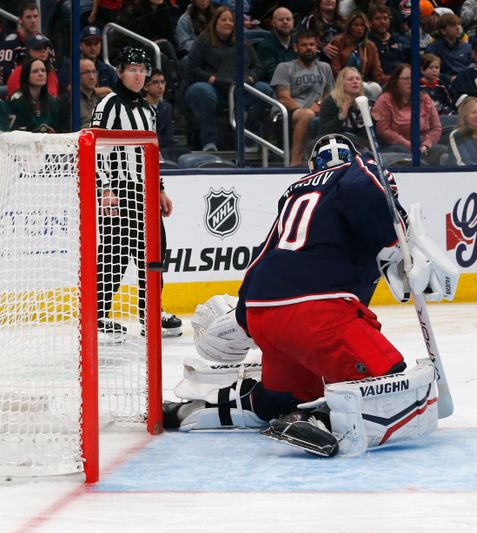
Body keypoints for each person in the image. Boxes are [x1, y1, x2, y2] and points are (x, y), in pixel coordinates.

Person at [162, 133, 457, 457]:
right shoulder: (360, 169)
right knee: (391, 383)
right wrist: (393, 238)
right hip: (316, 312)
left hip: (266, 313)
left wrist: (247, 315)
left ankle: (194, 410)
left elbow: (264, 253)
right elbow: (366, 191)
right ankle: (320, 420)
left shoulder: (296, 192)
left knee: (283, 397)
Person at [91, 47, 181, 339]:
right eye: (132, 69)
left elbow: (150, 156)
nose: (138, 75)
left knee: (155, 252)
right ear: (119, 72)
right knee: (114, 253)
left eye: (143, 70)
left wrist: (160, 189)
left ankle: (150, 313)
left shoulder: (148, 110)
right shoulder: (108, 105)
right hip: (117, 190)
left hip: (145, 190)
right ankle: (97, 316)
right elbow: (95, 152)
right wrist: (105, 189)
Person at [182, 6, 271, 152]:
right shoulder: (203, 41)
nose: (228, 23)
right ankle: (209, 141)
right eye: (223, 20)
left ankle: (250, 140)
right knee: (201, 90)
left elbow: (257, 66)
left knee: (264, 89)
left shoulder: (242, 41)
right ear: (215, 22)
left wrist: (250, 78)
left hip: (240, 87)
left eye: (231, 20)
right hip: (214, 88)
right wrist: (212, 79)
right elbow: (192, 69)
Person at [271, 29, 335, 167]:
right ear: (296, 48)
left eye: (312, 45)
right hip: (287, 112)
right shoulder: (284, 67)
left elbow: (329, 95)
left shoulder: (325, 67)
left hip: (317, 110)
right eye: (304, 45)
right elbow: (283, 97)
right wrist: (305, 110)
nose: (309, 48)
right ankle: (294, 162)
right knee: (307, 115)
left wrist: (319, 104)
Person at [372, 63, 445, 165]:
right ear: (397, 82)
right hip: (397, 146)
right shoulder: (385, 100)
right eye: (406, 79)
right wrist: (409, 145)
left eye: (413, 78)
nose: (410, 82)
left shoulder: (424, 98)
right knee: (408, 156)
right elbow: (383, 130)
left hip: (423, 145)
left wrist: (426, 144)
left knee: (443, 152)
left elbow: (436, 128)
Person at [329, 11, 388, 100]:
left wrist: (395, 78)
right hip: (342, 83)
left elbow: (378, 74)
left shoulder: (370, 46)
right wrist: (353, 81)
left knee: (375, 87)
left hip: (363, 83)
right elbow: (336, 71)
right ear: (349, 27)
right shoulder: (338, 42)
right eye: (356, 25)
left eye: (362, 25)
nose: (359, 28)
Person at [317, 66, 369, 148]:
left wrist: (373, 120)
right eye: (350, 79)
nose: (355, 82)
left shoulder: (362, 102)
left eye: (358, 79)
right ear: (342, 83)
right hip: (335, 146)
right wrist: (341, 116)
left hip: (358, 146)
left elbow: (365, 135)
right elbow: (324, 132)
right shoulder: (330, 101)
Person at [6, 57, 59, 132]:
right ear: (26, 75)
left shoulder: (52, 101)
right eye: (35, 71)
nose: (40, 74)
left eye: (43, 71)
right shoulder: (16, 101)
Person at [0, 2, 42, 86]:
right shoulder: (9, 43)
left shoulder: (45, 43)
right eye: (28, 17)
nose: (33, 20)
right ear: (20, 20)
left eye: (35, 16)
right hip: (16, 89)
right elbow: (6, 74)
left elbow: (52, 72)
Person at [5, 34, 58, 99]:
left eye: (45, 47)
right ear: (29, 51)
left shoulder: (50, 72)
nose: (43, 50)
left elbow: (53, 97)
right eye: (38, 47)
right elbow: (15, 99)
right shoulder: (19, 71)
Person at [256, 6, 296, 85]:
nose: (285, 22)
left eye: (288, 19)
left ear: (293, 22)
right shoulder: (266, 46)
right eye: (281, 20)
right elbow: (272, 73)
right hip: (277, 87)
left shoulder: (299, 41)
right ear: (273, 23)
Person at [142, 68, 176, 162]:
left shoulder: (166, 107)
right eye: (155, 82)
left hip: (163, 150)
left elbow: (168, 137)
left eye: (162, 82)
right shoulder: (138, 107)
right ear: (146, 86)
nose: (160, 86)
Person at [367, 4, 410, 76]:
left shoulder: (402, 41)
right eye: (377, 18)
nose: (382, 22)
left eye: (385, 18)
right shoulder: (367, 43)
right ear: (370, 23)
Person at [79, 25, 118, 98]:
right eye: (88, 44)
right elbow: (70, 89)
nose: (93, 48)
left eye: (96, 43)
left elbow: (117, 92)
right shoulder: (71, 65)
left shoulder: (108, 69)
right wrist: (106, 90)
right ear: (80, 45)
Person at [420, 53, 456, 122]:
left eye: (437, 67)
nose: (434, 70)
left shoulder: (443, 85)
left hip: (442, 117)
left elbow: (449, 103)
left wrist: (445, 113)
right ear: (422, 70)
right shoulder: (417, 87)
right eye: (430, 67)